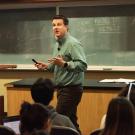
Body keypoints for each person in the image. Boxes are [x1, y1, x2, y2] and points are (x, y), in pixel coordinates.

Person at [35, 14, 87, 133]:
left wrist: (65, 64)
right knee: (71, 122)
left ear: (66, 27)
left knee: (58, 122)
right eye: (53, 25)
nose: (55, 28)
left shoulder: (73, 44)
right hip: (61, 89)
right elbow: (56, 66)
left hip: (71, 89)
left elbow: (83, 65)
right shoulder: (57, 44)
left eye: (59, 24)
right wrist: (46, 66)